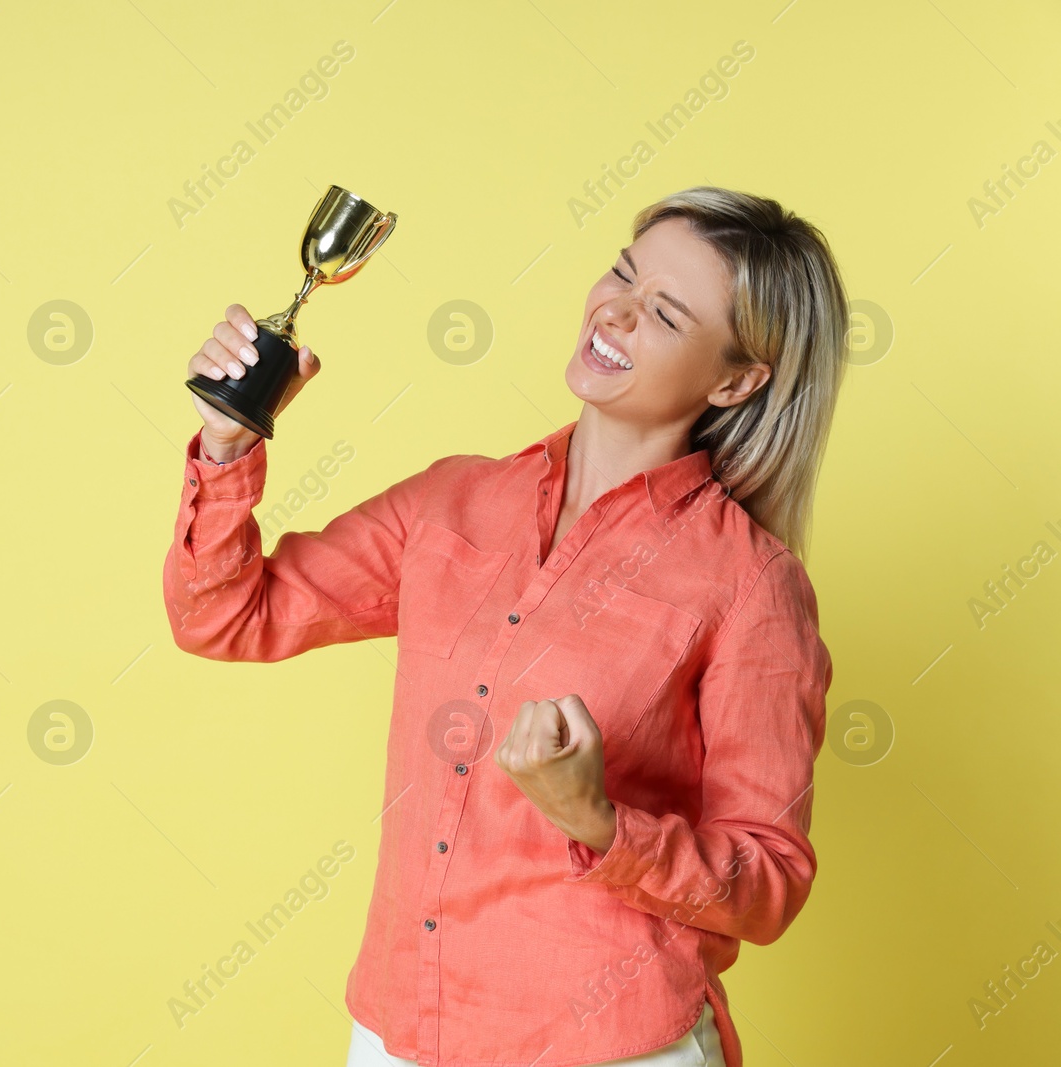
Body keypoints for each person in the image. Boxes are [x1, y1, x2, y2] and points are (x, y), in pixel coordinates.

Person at [162, 186, 846, 1067]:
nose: (618, 312)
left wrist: (600, 820)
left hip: (609, 1047)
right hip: (399, 1033)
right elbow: (225, 615)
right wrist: (227, 443)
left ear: (736, 379)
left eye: (666, 313)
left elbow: (769, 885)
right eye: (625, 275)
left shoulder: (751, 584)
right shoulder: (453, 500)